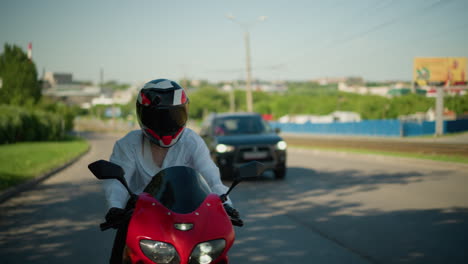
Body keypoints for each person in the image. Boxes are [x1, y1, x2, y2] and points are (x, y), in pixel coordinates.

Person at [102, 78, 240, 263]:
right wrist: (115, 207)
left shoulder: (192, 141)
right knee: (120, 257)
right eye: (159, 117)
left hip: (186, 216)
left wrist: (227, 205)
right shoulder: (128, 144)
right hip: (139, 218)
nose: (167, 123)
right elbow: (117, 182)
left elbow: (212, 179)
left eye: (174, 116)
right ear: (143, 115)